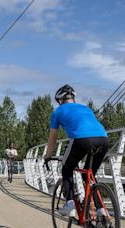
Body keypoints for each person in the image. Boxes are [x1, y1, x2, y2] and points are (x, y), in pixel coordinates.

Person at [43, 84, 108, 217]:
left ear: (60, 100)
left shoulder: (58, 111)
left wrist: (47, 156)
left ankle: (70, 205)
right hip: (103, 139)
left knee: (67, 169)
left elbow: (52, 139)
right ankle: (101, 210)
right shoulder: (86, 108)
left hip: (81, 140)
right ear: (73, 98)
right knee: (89, 175)